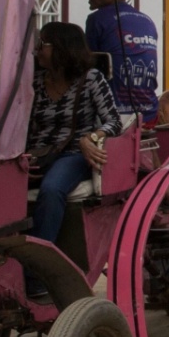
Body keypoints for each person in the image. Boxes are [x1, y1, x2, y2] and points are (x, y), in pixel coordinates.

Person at [27, 22, 123, 248]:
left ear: (62, 47)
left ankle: (39, 266)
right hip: (36, 156)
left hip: (72, 155)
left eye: (43, 44)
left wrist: (90, 138)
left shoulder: (91, 79)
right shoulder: (36, 83)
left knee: (51, 190)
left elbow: (115, 121)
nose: (37, 50)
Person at [84, 0, 160, 122]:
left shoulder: (97, 20)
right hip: (149, 114)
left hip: (113, 118)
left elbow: (86, 70)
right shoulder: (148, 21)